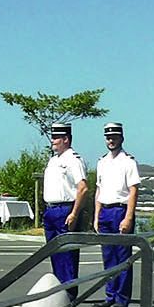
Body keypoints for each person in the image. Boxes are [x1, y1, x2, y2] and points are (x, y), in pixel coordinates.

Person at [94, 121, 141, 307]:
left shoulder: (128, 162)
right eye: (108, 137)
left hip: (120, 210)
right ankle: (110, 295)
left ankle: (121, 297)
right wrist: (96, 216)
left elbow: (133, 191)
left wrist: (128, 217)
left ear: (121, 138)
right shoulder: (102, 162)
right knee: (108, 257)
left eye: (114, 137)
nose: (111, 140)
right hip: (105, 211)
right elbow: (99, 190)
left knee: (122, 257)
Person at [40, 122, 89, 297]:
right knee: (54, 253)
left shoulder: (73, 160)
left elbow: (82, 188)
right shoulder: (54, 160)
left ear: (66, 139)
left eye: (55, 138)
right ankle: (59, 290)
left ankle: (68, 292)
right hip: (51, 210)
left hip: (65, 209)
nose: (52, 141)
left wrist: (74, 213)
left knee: (67, 255)